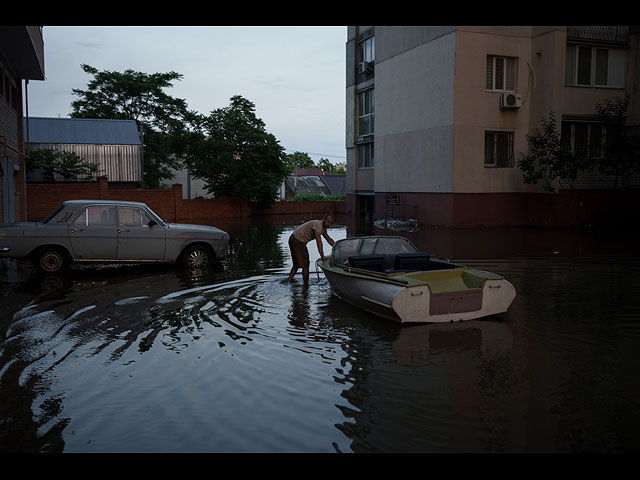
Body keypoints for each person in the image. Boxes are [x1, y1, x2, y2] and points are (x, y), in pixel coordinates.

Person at [287, 213, 335, 284]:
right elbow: (319, 242)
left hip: (293, 238)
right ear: (324, 219)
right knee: (305, 265)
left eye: (331, 223)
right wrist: (322, 256)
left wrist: (338, 247)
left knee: (296, 265)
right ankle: (306, 286)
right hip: (298, 240)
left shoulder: (323, 229)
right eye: (328, 222)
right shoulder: (318, 225)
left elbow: (329, 240)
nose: (329, 224)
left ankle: (288, 281)